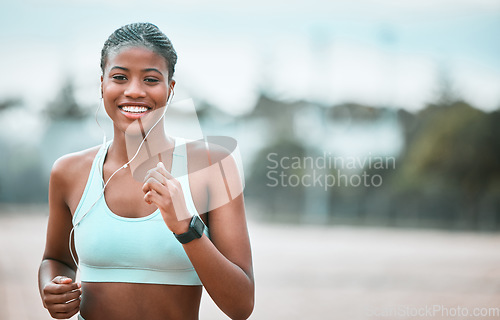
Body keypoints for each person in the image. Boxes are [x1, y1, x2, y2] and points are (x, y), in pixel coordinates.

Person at [38, 22, 254, 320]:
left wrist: (186, 227)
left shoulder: (212, 166)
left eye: (151, 79)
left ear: (171, 88)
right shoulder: (68, 172)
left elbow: (241, 306)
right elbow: (56, 258)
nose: (134, 91)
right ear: (101, 84)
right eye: (119, 77)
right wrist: (52, 287)